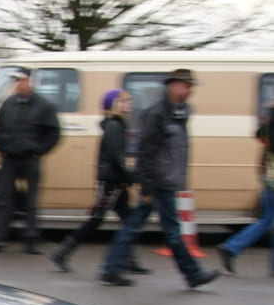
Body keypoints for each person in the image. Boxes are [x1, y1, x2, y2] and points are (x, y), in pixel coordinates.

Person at [100, 69, 221, 288]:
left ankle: (111, 268)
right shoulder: (157, 114)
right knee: (165, 231)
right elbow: (147, 151)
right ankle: (192, 275)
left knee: (142, 226)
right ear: (173, 86)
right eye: (186, 85)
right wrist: (146, 187)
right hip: (156, 181)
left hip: (166, 179)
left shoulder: (180, 112)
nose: (189, 90)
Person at [50, 89, 149, 274]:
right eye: (125, 101)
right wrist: (129, 176)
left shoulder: (118, 124)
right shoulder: (114, 126)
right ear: (114, 105)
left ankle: (129, 259)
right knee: (97, 222)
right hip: (111, 182)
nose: (129, 104)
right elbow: (115, 156)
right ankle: (62, 253)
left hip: (115, 181)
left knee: (128, 220)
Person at [0, 68, 60, 253]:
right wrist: (0, 146)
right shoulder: (8, 104)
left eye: (22, 80)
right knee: (3, 199)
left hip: (30, 159)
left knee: (31, 201)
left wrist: (41, 150)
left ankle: (31, 239)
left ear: (31, 81)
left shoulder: (43, 105)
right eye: (16, 81)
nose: (18, 84)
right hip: (9, 158)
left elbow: (54, 132)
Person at [214, 106, 274, 276]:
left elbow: (261, 139)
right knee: (267, 219)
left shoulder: (268, 123)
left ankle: (231, 248)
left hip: (269, 177)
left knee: (266, 220)